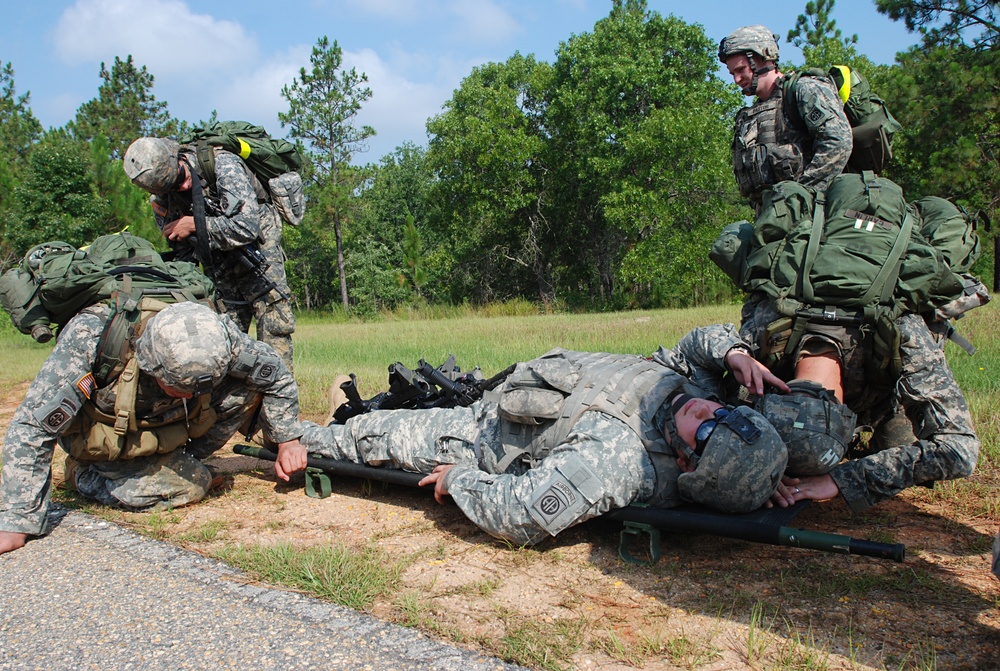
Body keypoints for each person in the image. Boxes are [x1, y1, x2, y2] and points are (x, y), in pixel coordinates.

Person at [298, 327, 791, 546]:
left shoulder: (619, 461)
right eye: (724, 411)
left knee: (374, 436)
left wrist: (460, 481)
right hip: (515, 394)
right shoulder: (692, 396)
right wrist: (735, 352)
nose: (708, 408)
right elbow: (698, 341)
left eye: (707, 428)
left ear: (686, 463)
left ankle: (294, 436)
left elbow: (521, 514)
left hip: (482, 436)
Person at [0, 301, 308, 556]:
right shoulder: (90, 339)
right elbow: (34, 424)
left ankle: (181, 459)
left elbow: (275, 374)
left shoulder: (219, 338)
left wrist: (287, 440)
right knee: (194, 485)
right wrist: (18, 519)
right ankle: (84, 474)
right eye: (177, 386)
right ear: (150, 364)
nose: (189, 394)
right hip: (106, 433)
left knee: (246, 391)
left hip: (166, 422)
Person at [725, 305, 980, 513]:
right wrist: (734, 354)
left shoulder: (903, 331)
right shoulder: (766, 330)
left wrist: (846, 479)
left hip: (883, 391)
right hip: (849, 385)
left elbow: (959, 450)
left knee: (898, 443)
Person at [122, 137, 296, 370]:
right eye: (174, 188)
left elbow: (246, 227)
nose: (183, 188)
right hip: (219, 264)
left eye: (182, 178)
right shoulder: (162, 199)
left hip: (259, 253)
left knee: (274, 327)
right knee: (225, 336)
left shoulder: (222, 165)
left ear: (179, 159)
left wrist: (195, 224)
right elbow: (183, 252)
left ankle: (278, 393)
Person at [719, 24, 853, 210]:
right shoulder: (751, 115)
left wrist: (801, 196)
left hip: (812, 215)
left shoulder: (804, 90)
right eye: (732, 73)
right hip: (773, 220)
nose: (737, 80)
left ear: (764, 58)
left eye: (741, 70)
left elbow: (838, 143)